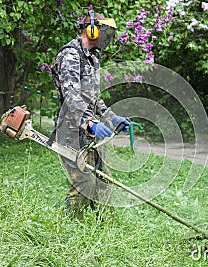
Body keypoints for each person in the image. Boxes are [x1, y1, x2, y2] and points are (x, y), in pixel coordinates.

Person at [51, 10, 130, 219]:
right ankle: (66, 227)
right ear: (93, 30)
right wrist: (89, 123)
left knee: (103, 180)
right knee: (85, 182)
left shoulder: (93, 57)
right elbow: (71, 97)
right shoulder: (71, 55)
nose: (108, 39)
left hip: (88, 131)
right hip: (71, 131)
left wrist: (111, 117)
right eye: (106, 33)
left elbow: (93, 99)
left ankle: (109, 229)